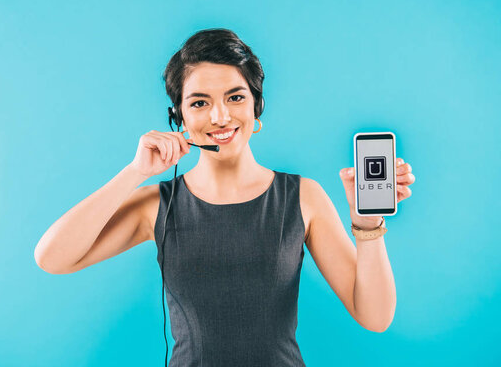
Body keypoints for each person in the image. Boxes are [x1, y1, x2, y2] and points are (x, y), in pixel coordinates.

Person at [34, 28, 415, 366]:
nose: (219, 116)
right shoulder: (157, 206)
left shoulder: (302, 197)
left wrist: (367, 223)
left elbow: (375, 316)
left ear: (256, 105)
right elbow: (51, 258)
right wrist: (136, 172)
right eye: (199, 103)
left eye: (235, 97)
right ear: (178, 117)